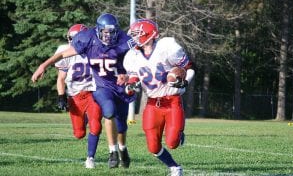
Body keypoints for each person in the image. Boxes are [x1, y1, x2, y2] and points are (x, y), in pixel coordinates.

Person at [31, 14, 134, 169]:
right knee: (108, 112)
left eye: (111, 32)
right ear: (98, 30)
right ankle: (112, 151)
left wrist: (129, 76)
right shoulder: (87, 39)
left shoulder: (125, 42)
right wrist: (43, 66)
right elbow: (61, 54)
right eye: (105, 32)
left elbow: (137, 63)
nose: (108, 35)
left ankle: (122, 149)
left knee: (121, 126)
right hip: (102, 86)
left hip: (121, 87)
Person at [123, 19, 195, 176]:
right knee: (153, 147)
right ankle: (174, 167)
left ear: (148, 34)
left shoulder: (166, 48)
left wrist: (184, 82)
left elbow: (189, 69)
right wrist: (131, 86)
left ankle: (179, 134)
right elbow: (134, 77)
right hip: (152, 104)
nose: (133, 38)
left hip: (171, 100)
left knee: (172, 143)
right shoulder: (132, 56)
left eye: (136, 34)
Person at [54, 24, 102, 169]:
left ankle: (90, 158)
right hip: (75, 97)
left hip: (93, 93)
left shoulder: (95, 50)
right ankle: (85, 118)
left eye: (74, 39)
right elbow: (61, 78)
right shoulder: (65, 53)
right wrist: (61, 96)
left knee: (95, 125)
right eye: (70, 39)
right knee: (79, 134)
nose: (71, 42)